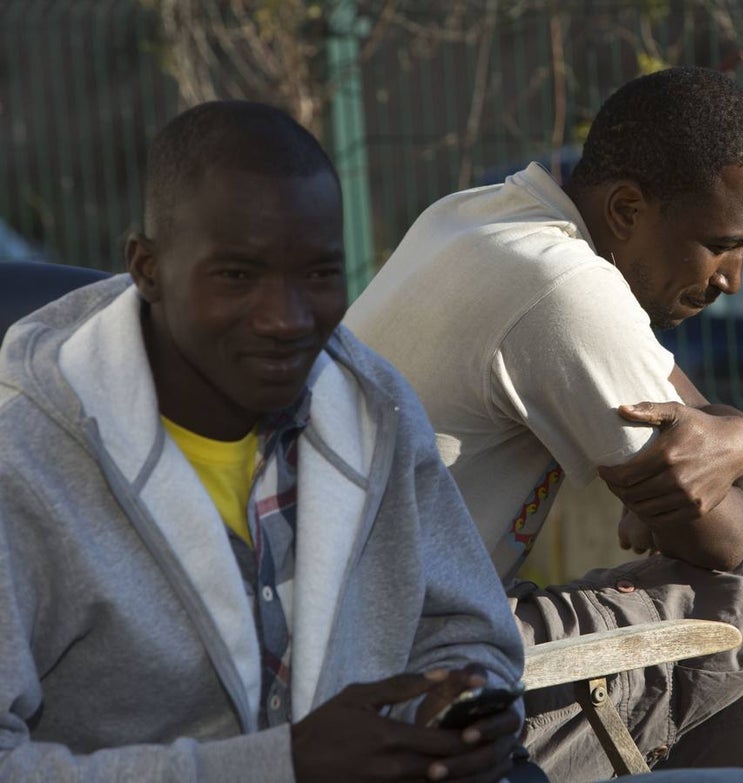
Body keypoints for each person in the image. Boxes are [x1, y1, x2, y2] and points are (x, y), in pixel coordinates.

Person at [346, 67, 743, 783]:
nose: (733, 277)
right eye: (721, 243)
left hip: (373, 646)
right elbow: (718, 539)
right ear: (628, 210)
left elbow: (696, 430)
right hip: (417, 679)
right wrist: (717, 458)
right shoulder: (568, 287)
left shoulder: (478, 215)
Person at [0, 100, 527, 783]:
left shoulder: (374, 408)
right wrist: (277, 766)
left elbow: (464, 627)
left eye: (318, 274)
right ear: (147, 267)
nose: (287, 319)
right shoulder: (26, 464)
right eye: (237, 276)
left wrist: (458, 705)